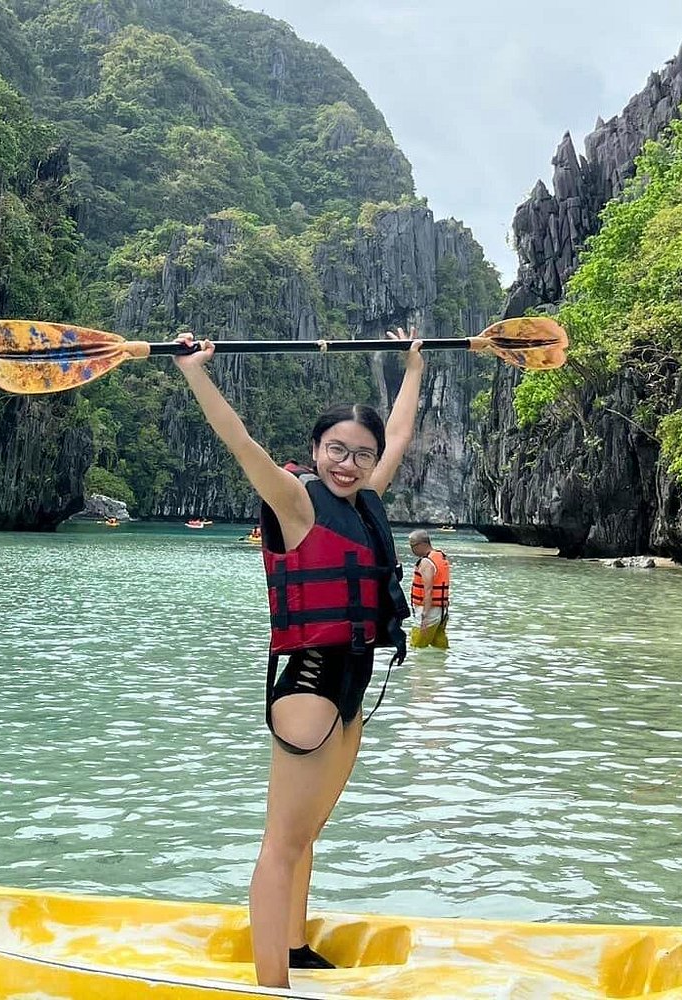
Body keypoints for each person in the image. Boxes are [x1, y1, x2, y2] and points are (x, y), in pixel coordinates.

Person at [173, 326, 423, 988]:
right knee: (282, 843)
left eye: (359, 455)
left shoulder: (367, 501)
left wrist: (413, 366)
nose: (349, 463)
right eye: (336, 450)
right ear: (314, 451)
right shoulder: (295, 501)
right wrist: (197, 372)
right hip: (310, 685)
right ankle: (270, 983)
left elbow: (397, 436)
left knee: (308, 831)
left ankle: (294, 944)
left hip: (352, 687)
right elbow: (240, 442)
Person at [408, 529, 450, 649]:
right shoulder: (440, 557)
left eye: (413, 546)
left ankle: (419, 668)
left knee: (416, 647)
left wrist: (424, 617)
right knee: (439, 648)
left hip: (428, 611)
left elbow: (428, 591)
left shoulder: (427, 562)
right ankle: (438, 667)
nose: (412, 550)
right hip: (441, 611)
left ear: (422, 544)